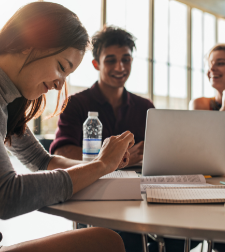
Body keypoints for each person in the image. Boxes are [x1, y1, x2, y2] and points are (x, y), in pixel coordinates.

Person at [0, 1, 129, 252]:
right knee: (105, 242)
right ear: (29, 43)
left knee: (104, 240)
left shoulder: (3, 97)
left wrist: (105, 168)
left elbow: (42, 161)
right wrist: (100, 165)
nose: (60, 85)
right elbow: (5, 197)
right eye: (62, 67)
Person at [48, 27, 168, 251]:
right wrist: (117, 159)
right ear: (96, 64)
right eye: (111, 60)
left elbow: (157, 152)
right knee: (119, 241)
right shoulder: (76, 103)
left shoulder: (145, 107)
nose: (120, 67)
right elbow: (62, 152)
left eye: (126, 60)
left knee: (174, 236)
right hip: (93, 194)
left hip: (141, 196)